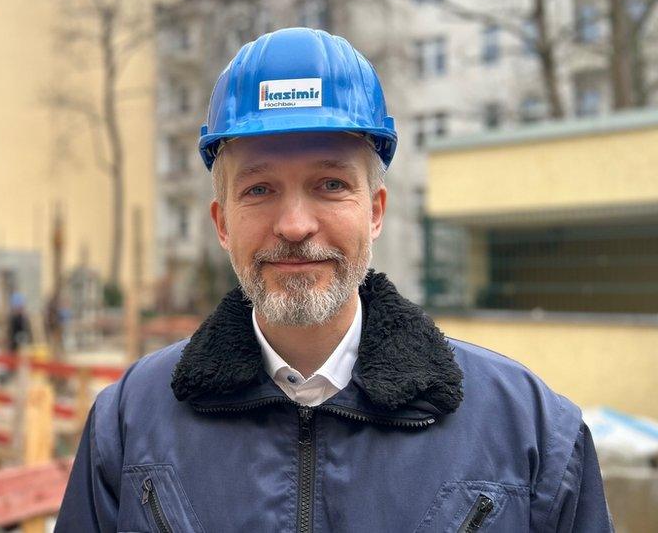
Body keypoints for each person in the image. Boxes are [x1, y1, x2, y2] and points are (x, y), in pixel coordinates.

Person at [55, 28, 612, 532]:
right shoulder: (128, 425)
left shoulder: (531, 431)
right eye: (258, 189)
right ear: (222, 223)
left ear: (374, 211)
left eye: (329, 184)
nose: (295, 226)